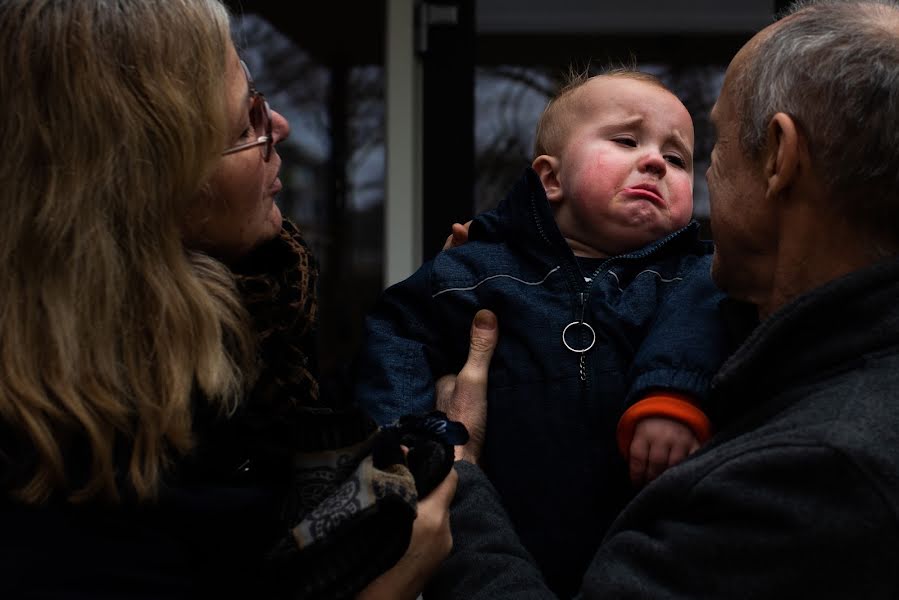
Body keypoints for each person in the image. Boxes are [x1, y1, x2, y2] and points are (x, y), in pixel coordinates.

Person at [0, 1, 491, 598]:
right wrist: (389, 581)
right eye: (244, 123)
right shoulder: (54, 476)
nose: (279, 126)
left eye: (257, 95)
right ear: (147, 182)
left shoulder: (260, 325)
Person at [427, 0, 899, 597]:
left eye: (713, 147)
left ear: (780, 159)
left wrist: (460, 475)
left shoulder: (817, 475)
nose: (689, 177)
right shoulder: (800, 359)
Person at [353, 69, 735, 595]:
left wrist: (670, 395)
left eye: (677, 158)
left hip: (637, 548)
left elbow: (702, 324)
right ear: (550, 179)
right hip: (490, 534)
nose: (654, 161)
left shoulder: (695, 275)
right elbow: (398, 336)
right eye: (627, 140)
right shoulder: (478, 270)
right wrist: (407, 448)